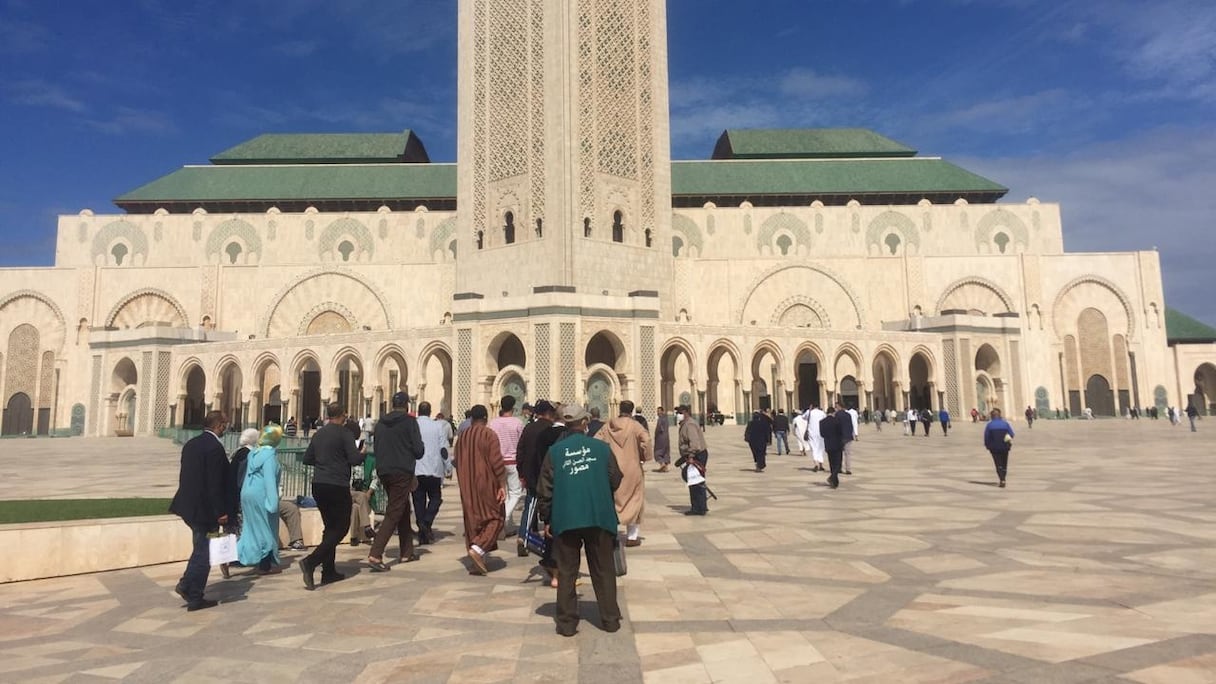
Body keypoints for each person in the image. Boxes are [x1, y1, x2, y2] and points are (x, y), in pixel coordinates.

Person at [537, 405, 624, 636]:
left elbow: (544, 490)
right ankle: (610, 619)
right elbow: (616, 479)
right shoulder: (602, 449)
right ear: (585, 423)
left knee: (567, 571)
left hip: (566, 519)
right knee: (603, 569)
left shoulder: (555, 452)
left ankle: (566, 623)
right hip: (599, 517)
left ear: (566, 424)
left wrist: (547, 519)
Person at [168, 410, 230, 611]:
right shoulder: (214, 448)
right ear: (219, 425)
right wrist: (220, 511)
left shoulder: (191, 444)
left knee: (200, 547)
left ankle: (187, 584)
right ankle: (193, 594)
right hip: (207, 514)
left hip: (188, 508)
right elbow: (214, 485)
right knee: (205, 551)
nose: (226, 429)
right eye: (225, 424)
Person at [299, 403, 363, 590]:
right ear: (343, 415)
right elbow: (354, 459)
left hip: (319, 484)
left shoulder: (319, 434)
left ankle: (328, 571)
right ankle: (311, 562)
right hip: (337, 485)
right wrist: (362, 454)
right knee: (342, 527)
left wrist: (324, 460)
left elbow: (307, 459)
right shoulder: (345, 434)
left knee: (330, 528)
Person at [366, 392, 424, 572]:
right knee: (393, 512)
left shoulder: (381, 424)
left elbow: (376, 447)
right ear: (407, 405)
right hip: (401, 472)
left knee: (402, 507)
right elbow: (418, 450)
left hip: (384, 471)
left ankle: (406, 551)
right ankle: (375, 554)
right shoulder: (409, 422)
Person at [455, 405, 507, 574]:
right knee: (496, 517)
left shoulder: (462, 436)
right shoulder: (488, 434)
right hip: (486, 484)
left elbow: (456, 460)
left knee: (473, 521)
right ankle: (477, 550)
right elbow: (496, 461)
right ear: (485, 418)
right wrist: (501, 483)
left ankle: (477, 558)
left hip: (466, 484)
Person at [596, 400, 652, 547]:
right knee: (634, 499)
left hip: (612, 469)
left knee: (613, 499)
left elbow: (596, 441)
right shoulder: (635, 426)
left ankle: (611, 533)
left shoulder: (608, 425)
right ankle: (632, 537)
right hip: (632, 468)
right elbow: (646, 440)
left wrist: (602, 459)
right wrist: (644, 456)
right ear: (632, 410)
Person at [237, 424, 284, 575]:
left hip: (247, 493)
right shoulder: (269, 457)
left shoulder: (254, 453)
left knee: (250, 529)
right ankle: (265, 565)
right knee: (267, 529)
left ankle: (232, 556)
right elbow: (269, 481)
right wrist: (272, 502)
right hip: (261, 495)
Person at [488, 395, 525, 533]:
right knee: (515, 493)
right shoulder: (518, 423)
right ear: (513, 407)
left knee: (504, 493)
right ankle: (504, 518)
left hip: (497, 462)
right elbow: (522, 443)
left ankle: (506, 525)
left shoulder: (493, 423)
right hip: (513, 461)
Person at [414, 401, 448, 545]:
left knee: (418, 500)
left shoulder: (413, 425)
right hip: (434, 469)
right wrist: (448, 467)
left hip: (416, 469)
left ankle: (422, 527)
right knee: (435, 498)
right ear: (430, 411)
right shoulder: (437, 426)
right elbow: (443, 448)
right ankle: (426, 523)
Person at [675, 405, 709, 515]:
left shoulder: (689, 425)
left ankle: (698, 508)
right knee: (695, 480)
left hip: (696, 455)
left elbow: (695, 444)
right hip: (693, 455)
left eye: (679, 413)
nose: (677, 415)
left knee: (696, 481)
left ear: (685, 413)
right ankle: (700, 505)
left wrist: (690, 456)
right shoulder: (685, 424)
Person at [983, 408, 1015, 488]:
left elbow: (987, 437)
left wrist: (987, 445)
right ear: (999, 415)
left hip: (994, 448)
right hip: (1005, 447)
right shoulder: (1005, 424)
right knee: (1004, 463)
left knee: (998, 464)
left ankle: (1002, 479)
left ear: (992, 416)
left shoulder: (989, 425)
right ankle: (1003, 477)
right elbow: (1011, 434)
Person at [820, 407, 844, 489]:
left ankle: (835, 482)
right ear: (833, 413)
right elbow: (841, 432)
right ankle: (832, 477)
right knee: (838, 464)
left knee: (832, 463)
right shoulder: (837, 421)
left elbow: (822, 434)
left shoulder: (822, 422)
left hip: (828, 444)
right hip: (837, 444)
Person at [836, 402, 857, 475]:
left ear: (839, 407)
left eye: (836, 407)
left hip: (840, 437)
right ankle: (848, 469)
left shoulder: (837, 415)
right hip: (848, 436)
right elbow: (851, 426)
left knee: (839, 453)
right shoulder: (848, 415)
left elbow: (836, 426)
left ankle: (839, 468)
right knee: (848, 454)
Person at [807, 403, 827, 472]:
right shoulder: (822, 413)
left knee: (814, 448)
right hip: (820, 432)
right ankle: (821, 464)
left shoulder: (809, 412)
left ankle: (816, 463)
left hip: (812, 433)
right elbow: (825, 420)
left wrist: (809, 410)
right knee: (821, 448)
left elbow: (803, 417)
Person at [653, 406, 671, 472]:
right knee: (666, 451)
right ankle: (665, 467)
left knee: (658, 452)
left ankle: (662, 463)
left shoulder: (660, 419)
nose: (657, 412)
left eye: (658, 411)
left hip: (660, 438)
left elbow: (659, 428)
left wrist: (656, 435)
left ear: (662, 411)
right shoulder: (666, 419)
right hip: (666, 438)